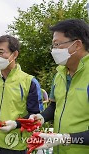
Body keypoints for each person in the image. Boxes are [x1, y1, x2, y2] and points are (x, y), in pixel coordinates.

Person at [29, 19, 89, 154]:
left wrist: (65, 138)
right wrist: (42, 117)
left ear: (77, 44)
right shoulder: (60, 74)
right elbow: (54, 106)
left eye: (57, 45)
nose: (54, 50)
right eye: (53, 46)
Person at [0, 35, 42, 154]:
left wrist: (15, 124)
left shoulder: (29, 82)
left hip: (15, 144)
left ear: (14, 55)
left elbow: (35, 115)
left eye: (1, 52)